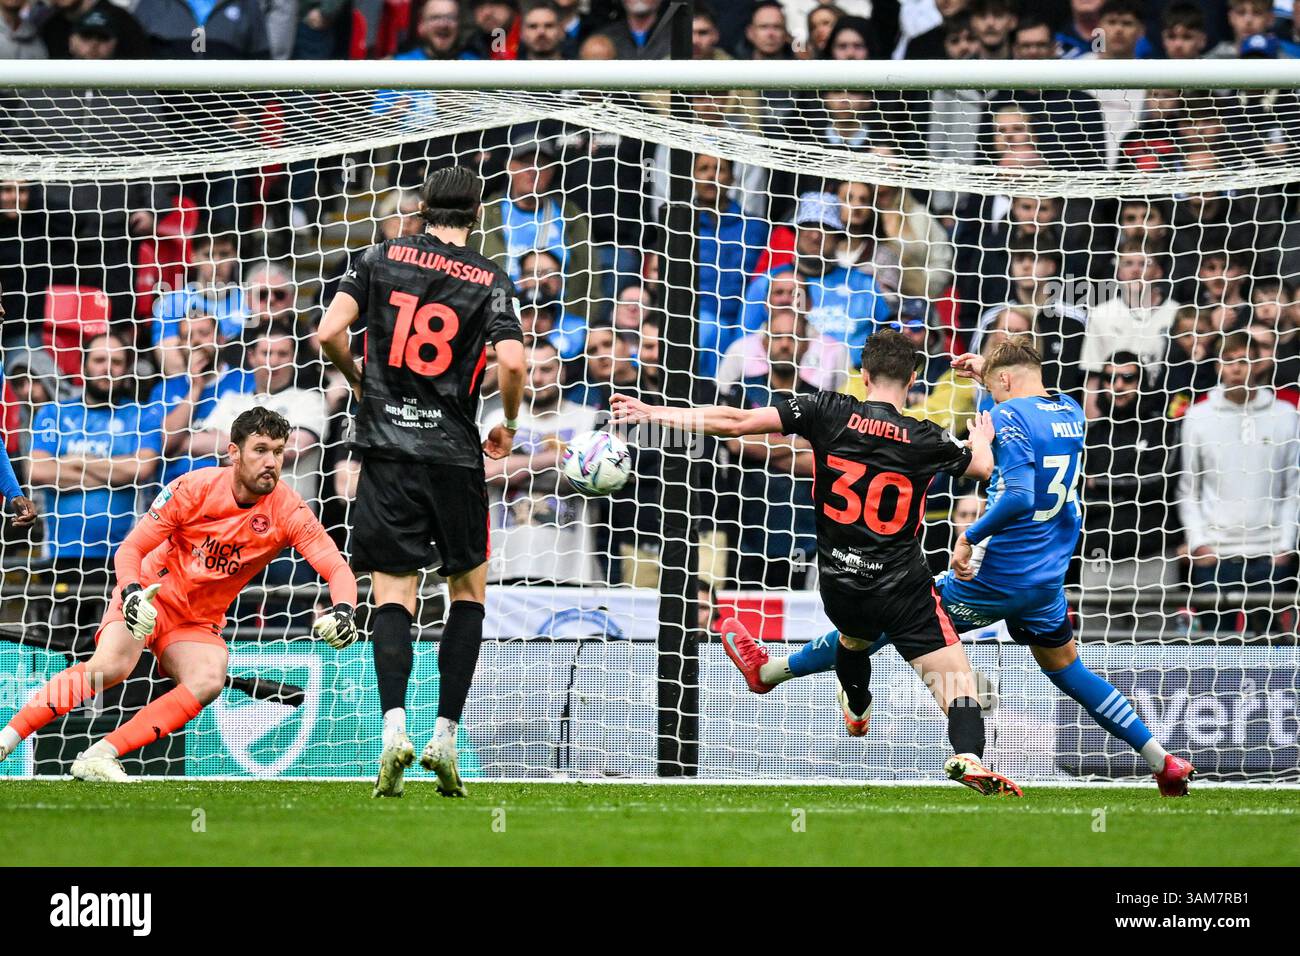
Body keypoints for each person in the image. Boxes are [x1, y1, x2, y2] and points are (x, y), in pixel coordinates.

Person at [714, 336, 1197, 796]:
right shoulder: (1070, 411)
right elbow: (1009, 416)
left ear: (1004, 383)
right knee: (1072, 672)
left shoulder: (1006, 416)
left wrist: (969, 535)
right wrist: (987, 378)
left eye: (992, 382)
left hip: (994, 574)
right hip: (1047, 577)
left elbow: (1017, 488)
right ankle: (1162, 762)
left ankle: (772, 670)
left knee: (891, 615)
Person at [611, 330, 1023, 797]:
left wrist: (653, 413)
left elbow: (735, 422)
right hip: (903, 590)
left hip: (839, 582)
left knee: (853, 637)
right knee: (958, 687)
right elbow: (986, 470)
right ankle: (967, 756)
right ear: (912, 379)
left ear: (863, 376)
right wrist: (984, 433)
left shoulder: (825, 409)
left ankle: (858, 707)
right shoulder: (925, 437)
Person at [0, 408, 359, 781]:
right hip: (148, 594)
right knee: (111, 666)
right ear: (233, 452)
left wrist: (345, 610)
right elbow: (129, 550)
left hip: (196, 620)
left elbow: (335, 567)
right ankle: (7, 739)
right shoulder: (193, 488)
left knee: (207, 678)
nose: (271, 462)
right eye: (260, 450)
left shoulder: (289, 510)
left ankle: (100, 754)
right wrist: (133, 593)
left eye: (279, 452)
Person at [317, 164, 526, 799]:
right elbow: (513, 360)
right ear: (478, 216)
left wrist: (359, 379)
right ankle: (445, 735)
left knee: (392, 597)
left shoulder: (378, 257)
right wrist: (508, 423)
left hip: (386, 452)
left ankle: (393, 733)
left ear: (422, 208)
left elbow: (327, 332)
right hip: (454, 456)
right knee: (467, 593)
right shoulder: (491, 278)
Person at [1177, 331, 1300, 637]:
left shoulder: (1285, 415)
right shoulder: (1198, 417)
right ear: (1218, 366)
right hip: (1215, 554)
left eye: (1244, 360)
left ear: (1257, 364)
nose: (1236, 368)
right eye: (1228, 360)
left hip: (1270, 554)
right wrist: (1197, 541)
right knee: (1216, 649)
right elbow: (1188, 487)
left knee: (1272, 650)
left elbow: (1293, 486)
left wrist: (1286, 543)